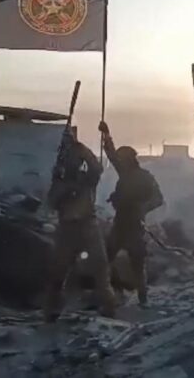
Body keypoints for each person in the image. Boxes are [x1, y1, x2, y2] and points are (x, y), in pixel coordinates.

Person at [43, 127, 116, 322]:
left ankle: (109, 306)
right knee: (58, 272)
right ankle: (52, 311)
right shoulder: (59, 183)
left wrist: (83, 149)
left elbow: (96, 168)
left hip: (87, 226)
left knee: (100, 268)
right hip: (67, 229)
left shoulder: (86, 180)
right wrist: (64, 188)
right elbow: (52, 202)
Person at [99, 121, 164, 305]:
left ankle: (142, 297)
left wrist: (142, 208)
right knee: (107, 259)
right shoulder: (126, 173)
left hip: (135, 226)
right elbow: (112, 155)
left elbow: (158, 199)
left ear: (130, 159)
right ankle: (114, 291)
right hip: (121, 223)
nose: (121, 162)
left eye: (123, 159)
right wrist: (106, 135)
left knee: (137, 264)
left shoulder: (145, 177)